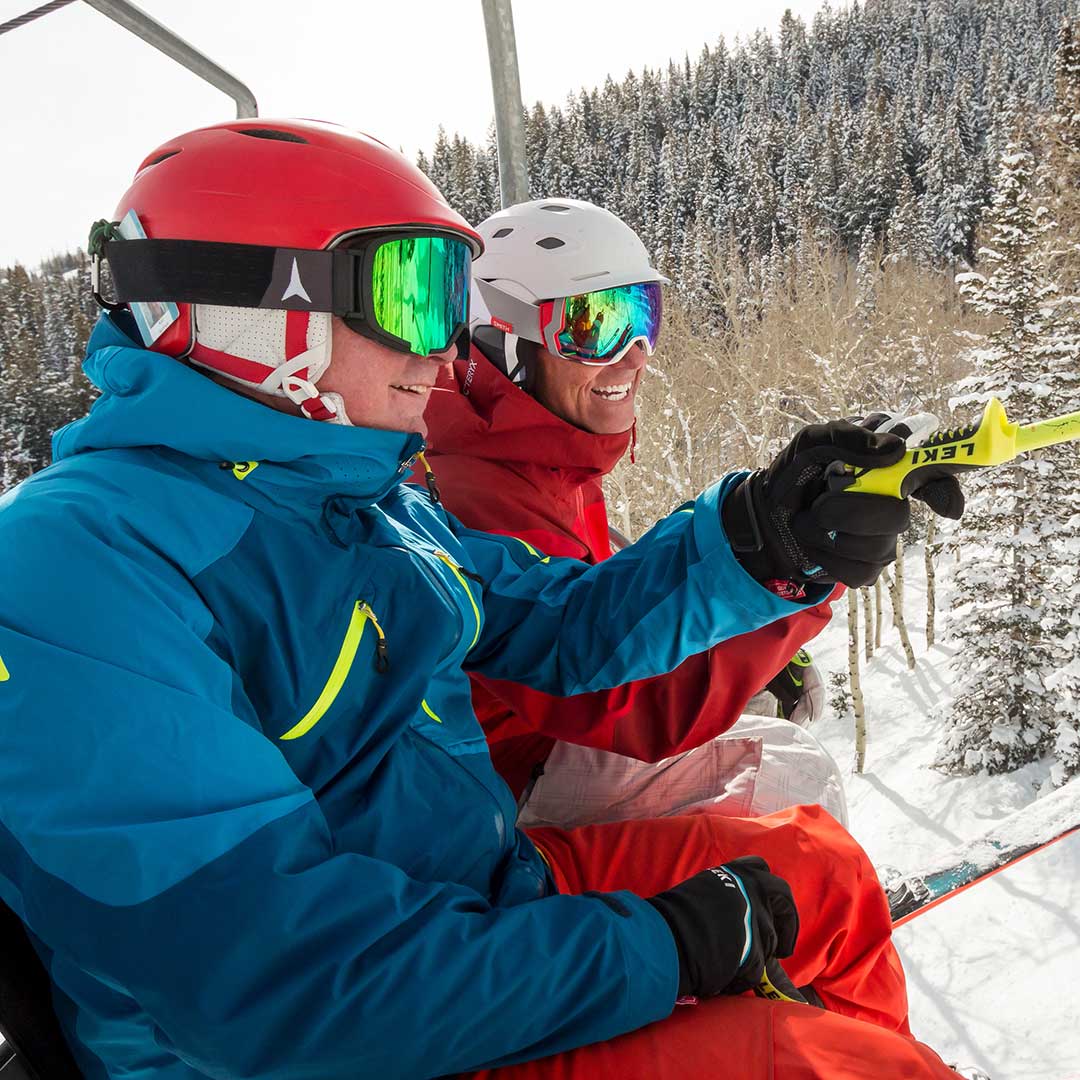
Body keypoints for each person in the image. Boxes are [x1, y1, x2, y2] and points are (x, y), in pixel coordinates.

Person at [0, 118, 965, 1079]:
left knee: (819, 878)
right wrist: (664, 947)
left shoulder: (363, 505)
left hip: (473, 896)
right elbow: (277, 984)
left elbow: (560, 625)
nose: (453, 345)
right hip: (349, 1029)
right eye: (414, 295)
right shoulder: (80, 564)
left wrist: (771, 537)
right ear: (249, 315)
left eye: (452, 299)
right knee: (801, 1063)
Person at [422, 199, 845, 827]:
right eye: (596, 326)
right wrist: (792, 573)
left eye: (643, 316)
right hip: (498, 785)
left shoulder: (542, 453)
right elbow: (631, 702)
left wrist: (757, 615)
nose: (636, 355)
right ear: (497, 339)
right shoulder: (474, 494)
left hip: (552, 744)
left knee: (781, 759)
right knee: (787, 772)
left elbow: (615, 590)